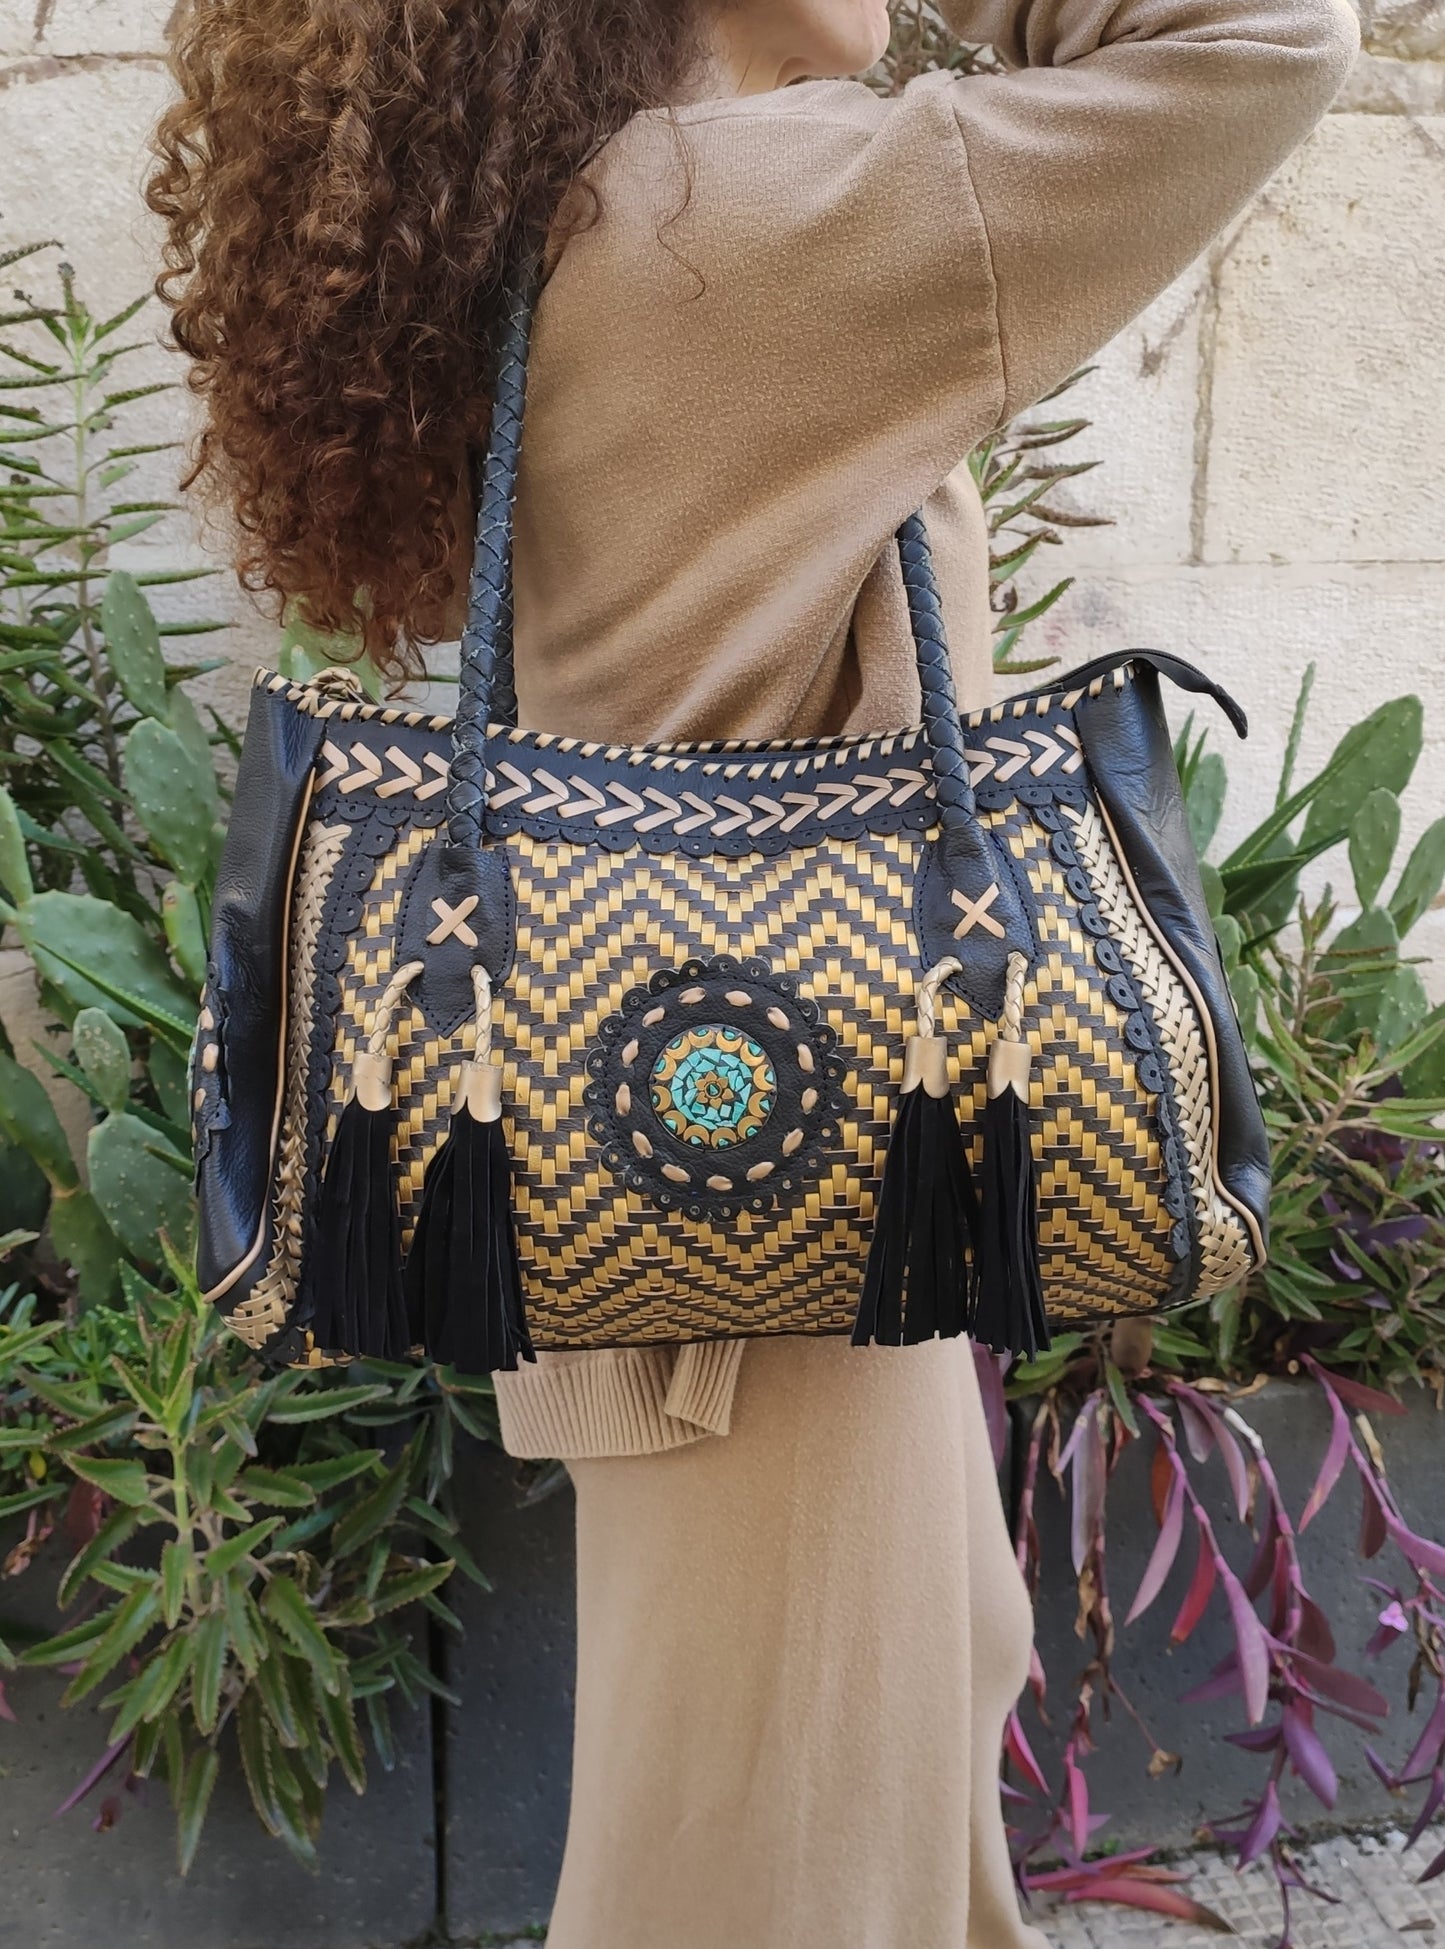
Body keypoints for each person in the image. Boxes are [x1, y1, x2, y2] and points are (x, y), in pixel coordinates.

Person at [148, 0, 1358, 1940]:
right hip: (784, 1278)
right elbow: (1275, 34)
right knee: (775, 1883)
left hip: (684, 1229)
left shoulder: (565, 211)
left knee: (846, 1838)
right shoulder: (772, 207)